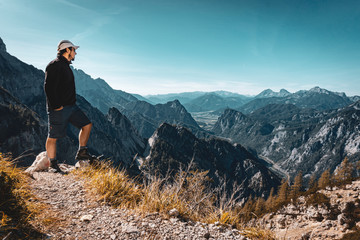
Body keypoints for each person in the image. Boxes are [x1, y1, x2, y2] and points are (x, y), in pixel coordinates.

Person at [44, 40, 95, 173]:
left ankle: (82, 152)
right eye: (74, 50)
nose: (75, 53)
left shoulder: (65, 65)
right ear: (67, 50)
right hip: (58, 108)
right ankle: (52, 164)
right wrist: (56, 106)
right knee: (53, 136)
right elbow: (48, 87)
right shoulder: (54, 65)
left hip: (71, 107)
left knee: (87, 125)